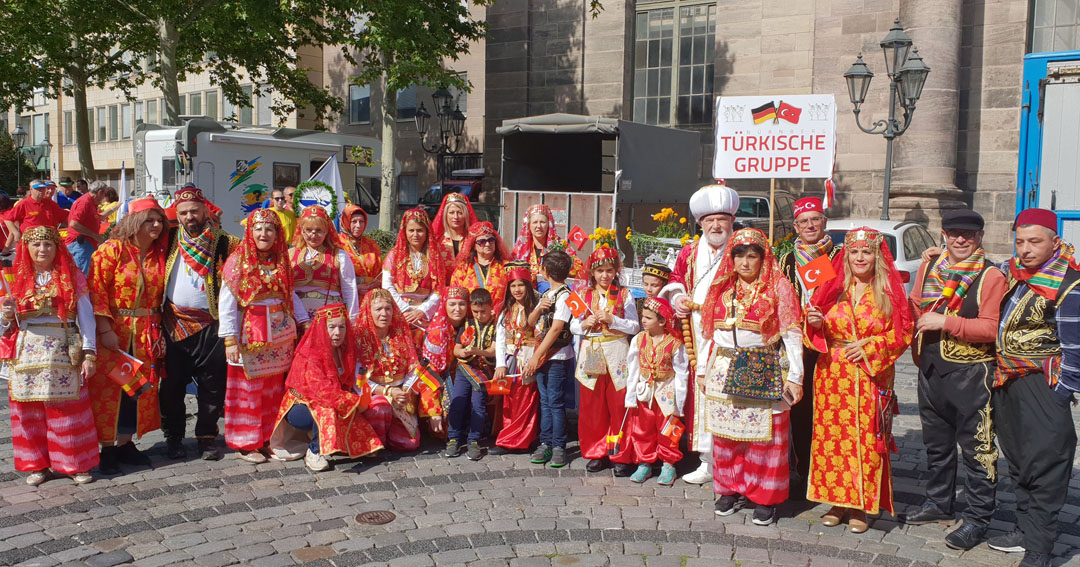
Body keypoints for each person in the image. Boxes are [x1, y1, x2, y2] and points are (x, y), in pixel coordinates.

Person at [900, 210, 1005, 550]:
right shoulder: (931, 266)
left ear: (981, 237)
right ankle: (939, 503)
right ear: (943, 234)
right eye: (954, 233)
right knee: (937, 445)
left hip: (972, 374)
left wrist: (945, 322)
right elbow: (916, 304)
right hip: (930, 370)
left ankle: (977, 518)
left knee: (979, 450)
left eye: (969, 234)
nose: (961, 239)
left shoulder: (991, 276)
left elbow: (991, 328)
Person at [805, 227, 914, 533]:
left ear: (877, 255)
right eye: (854, 252)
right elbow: (817, 326)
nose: (860, 257)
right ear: (847, 255)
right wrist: (814, 323)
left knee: (867, 441)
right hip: (832, 375)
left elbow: (903, 333)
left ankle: (862, 505)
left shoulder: (888, 291)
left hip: (870, 375)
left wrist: (870, 346)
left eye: (866, 251)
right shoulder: (832, 287)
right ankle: (836, 501)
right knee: (831, 441)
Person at [987, 208, 1079, 567]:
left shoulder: (1068, 283)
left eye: (1034, 241)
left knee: (1046, 463)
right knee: (1019, 459)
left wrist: (1060, 394)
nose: (1025, 249)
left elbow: (1075, 348)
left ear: (1054, 242)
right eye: (1020, 241)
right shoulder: (1015, 273)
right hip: (1007, 381)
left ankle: (1040, 547)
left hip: (1043, 385)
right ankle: (1024, 529)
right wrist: (939, 253)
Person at [701, 228, 804, 526]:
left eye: (752, 256)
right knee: (725, 435)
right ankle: (729, 489)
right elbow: (707, 332)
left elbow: (792, 333)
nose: (745, 263)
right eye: (739, 256)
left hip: (764, 365)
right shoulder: (721, 287)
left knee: (765, 439)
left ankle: (765, 497)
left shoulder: (778, 287)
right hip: (722, 366)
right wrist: (702, 370)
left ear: (762, 258)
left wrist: (795, 376)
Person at [3, 226, 98, 485]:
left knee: (69, 408)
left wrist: (89, 352)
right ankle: (38, 465)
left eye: (48, 245)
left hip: (63, 346)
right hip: (27, 351)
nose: (42, 250)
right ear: (27, 248)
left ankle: (76, 464)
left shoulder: (72, 276)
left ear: (57, 248)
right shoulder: (13, 279)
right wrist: (7, 313)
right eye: (36, 245)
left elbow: (86, 316)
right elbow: (5, 325)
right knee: (29, 411)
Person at [661, 182, 739, 485]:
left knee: (730, 396)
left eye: (722, 219)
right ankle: (708, 460)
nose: (716, 225)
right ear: (700, 223)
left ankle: (732, 461)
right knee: (703, 394)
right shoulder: (690, 251)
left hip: (732, 334)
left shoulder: (743, 248)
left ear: (732, 221)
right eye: (710, 220)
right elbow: (677, 279)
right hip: (697, 333)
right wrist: (678, 298)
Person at [219, 208, 309, 464]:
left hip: (279, 335)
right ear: (250, 231)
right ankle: (247, 442)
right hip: (249, 335)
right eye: (258, 228)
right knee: (249, 390)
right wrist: (230, 339)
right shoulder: (237, 261)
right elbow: (227, 302)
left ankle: (270, 438)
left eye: (269, 228)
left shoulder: (282, 261)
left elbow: (289, 294)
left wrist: (303, 321)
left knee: (273, 389)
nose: (263, 233)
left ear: (277, 233)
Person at [88, 198, 171, 475]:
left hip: (148, 334)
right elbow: (96, 292)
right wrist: (105, 329)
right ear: (134, 222)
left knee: (139, 390)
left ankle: (125, 443)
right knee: (111, 390)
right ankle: (107, 448)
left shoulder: (160, 254)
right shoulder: (110, 251)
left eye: (159, 220)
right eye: (150, 220)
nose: (157, 225)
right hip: (117, 333)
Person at [159, 186, 239, 461]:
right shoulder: (168, 239)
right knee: (171, 386)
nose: (189, 217)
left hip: (211, 323)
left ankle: (206, 438)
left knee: (213, 385)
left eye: (194, 210)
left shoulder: (226, 242)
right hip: (173, 322)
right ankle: (173, 437)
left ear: (206, 210)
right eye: (183, 212)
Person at [268, 303, 383, 471]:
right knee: (327, 408)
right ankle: (315, 451)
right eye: (332, 327)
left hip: (332, 399)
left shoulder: (343, 350)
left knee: (345, 410)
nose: (337, 333)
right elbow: (324, 393)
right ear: (322, 328)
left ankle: (342, 445)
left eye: (342, 327)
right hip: (301, 407)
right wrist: (355, 402)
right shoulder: (310, 356)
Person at [776, 196, 840, 497]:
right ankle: (803, 469)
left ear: (824, 223)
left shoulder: (840, 256)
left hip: (831, 345)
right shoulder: (786, 260)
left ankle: (827, 470)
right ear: (795, 227)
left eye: (815, 220)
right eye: (804, 221)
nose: (810, 225)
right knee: (799, 409)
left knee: (828, 410)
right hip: (797, 345)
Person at [570, 244, 640, 475]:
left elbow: (634, 325)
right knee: (593, 406)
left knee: (618, 404)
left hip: (617, 350)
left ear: (616, 272)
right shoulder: (583, 295)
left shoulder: (625, 295)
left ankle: (619, 453)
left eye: (609, 271)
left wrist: (613, 320)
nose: (605, 275)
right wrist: (583, 325)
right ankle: (595, 451)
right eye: (600, 271)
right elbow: (571, 325)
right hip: (592, 350)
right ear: (592, 272)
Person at [357, 289, 443, 452]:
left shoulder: (400, 334)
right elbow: (358, 376)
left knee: (408, 443)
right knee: (380, 408)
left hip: (401, 394)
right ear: (369, 311)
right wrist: (387, 391)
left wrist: (405, 390)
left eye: (388, 308)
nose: (384, 314)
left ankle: (390, 432)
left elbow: (413, 368)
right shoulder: (360, 337)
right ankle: (376, 442)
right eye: (378, 309)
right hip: (375, 395)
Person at [622, 297, 688, 486]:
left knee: (668, 428)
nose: (643, 321)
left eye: (648, 318)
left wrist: (679, 401)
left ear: (662, 321)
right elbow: (633, 368)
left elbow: (682, 372)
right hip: (646, 390)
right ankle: (645, 461)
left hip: (666, 389)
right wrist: (631, 394)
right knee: (643, 427)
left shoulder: (674, 343)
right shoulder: (639, 339)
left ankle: (668, 463)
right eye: (643, 316)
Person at [522, 251, 575, 467]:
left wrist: (536, 356)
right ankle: (546, 441)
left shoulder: (565, 296)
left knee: (555, 402)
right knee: (545, 401)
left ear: (545, 271)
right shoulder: (549, 294)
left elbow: (556, 330)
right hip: (543, 354)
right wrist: (539, 308)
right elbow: (530, 321)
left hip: (556, 355)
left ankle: (559, 445)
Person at [491, 262, 542, 455]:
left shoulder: (536, 309)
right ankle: (508, 437)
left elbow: (540, 335)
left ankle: (521, 440)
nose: (517, 289)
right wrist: (500, 364)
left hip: (528, 359)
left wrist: (535, 360)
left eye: (521, 285)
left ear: (528, 286)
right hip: (510, 360)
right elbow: (501, 339)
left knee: (526, 401)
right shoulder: (505, 310)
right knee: (509, 402)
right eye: (513, 286)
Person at [445, 288, 497, 460]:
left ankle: (474, 440)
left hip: (483, 371)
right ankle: (453, 438)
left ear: (491, 307)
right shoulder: (467, 324)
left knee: (478, 405)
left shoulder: (496, 325)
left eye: (483, 311)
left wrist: (478, 351)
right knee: (457, 402)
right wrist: (462, 353)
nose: (479, 315)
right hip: (463, 370)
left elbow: (493, 350)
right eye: (475, 311)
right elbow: (457, 348)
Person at [291, 206, 359, 320]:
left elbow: (349, 290)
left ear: (326, 231)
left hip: (330, 318)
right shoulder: (290, 255)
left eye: (319, 230)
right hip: (297, 318)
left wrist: (352, 320)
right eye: (308, 230)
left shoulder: (339, 255)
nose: (313, 234)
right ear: (302, 231)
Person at [382, 208, 446, 326]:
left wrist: (422, 310)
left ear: (427, 232)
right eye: (411, 230)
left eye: (420, 230)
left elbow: (439, 288)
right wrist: (405, 309)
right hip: (399, 310)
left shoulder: (435, 257)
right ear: (404, 231)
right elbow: (387, 285)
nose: (415, 235)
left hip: (426, 313)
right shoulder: (394, 255)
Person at [509, 204, 581, 282]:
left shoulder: (561, 245)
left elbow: (578, 267)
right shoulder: (520, 249)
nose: (539, 226)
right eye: (535, 222)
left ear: (549, 224)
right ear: (528, 225)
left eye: (542, 222)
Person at [449, 221, 510, 310]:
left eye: (491, 240)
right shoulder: (463, 269)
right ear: (474, 246)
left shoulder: (506, 267)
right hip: (472, 319)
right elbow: (455, 298)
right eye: (482, 241)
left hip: (501, 318)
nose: (488, 244)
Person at [4, 180, 68, 253]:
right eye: (38, 189)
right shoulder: (24, 204)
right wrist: (16, 233)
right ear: (31, 189)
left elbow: (65, 218)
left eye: (43, 188)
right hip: (30, 243)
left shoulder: (51, 204)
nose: (41, 191)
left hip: (49, 242)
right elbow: (8, 220)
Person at [64, 182, 108, 276]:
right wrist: (95, 235)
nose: (104, 198)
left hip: (84, 243)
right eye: (104, 194)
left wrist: (115, 208)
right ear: (100, 192)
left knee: (84, 274)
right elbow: (74, 223)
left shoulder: (90, 202)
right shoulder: (85, 202)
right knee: (82, 276)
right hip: (81, 244)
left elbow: (98, 218)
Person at [339, 204, 382, 299]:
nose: (358, 225)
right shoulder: (337, 243)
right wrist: (354, 288)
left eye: (361, 221)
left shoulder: (372, 244)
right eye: (354, 221)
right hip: (347, 296)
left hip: (371, 296)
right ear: (346, 222)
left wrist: (377, 283)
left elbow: (381, 273)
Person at [432, 192, 478, 259]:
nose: (456, 217)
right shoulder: (438, 240)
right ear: (445, 215)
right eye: (451, 213)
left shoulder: (474, 240)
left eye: (460, 213)